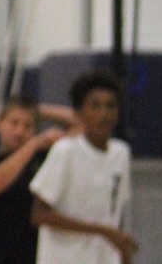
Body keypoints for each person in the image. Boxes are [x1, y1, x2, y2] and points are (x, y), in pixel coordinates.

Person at [31, 70, 137, 264]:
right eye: (95, 105)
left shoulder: (121, 153)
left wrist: (124, 254)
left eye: (110, 106)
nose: (104, 114)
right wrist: (103, 231)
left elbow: (115, 213)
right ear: (80, 112)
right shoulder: (65, 151)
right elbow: (39, 214)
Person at [0, 94, 79, 264]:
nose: (19, 131)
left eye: (27, 125)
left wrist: (39, 110)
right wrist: (35, 143)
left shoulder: (43, 158)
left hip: (36, 255)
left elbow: (84, 124)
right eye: (14, 123)